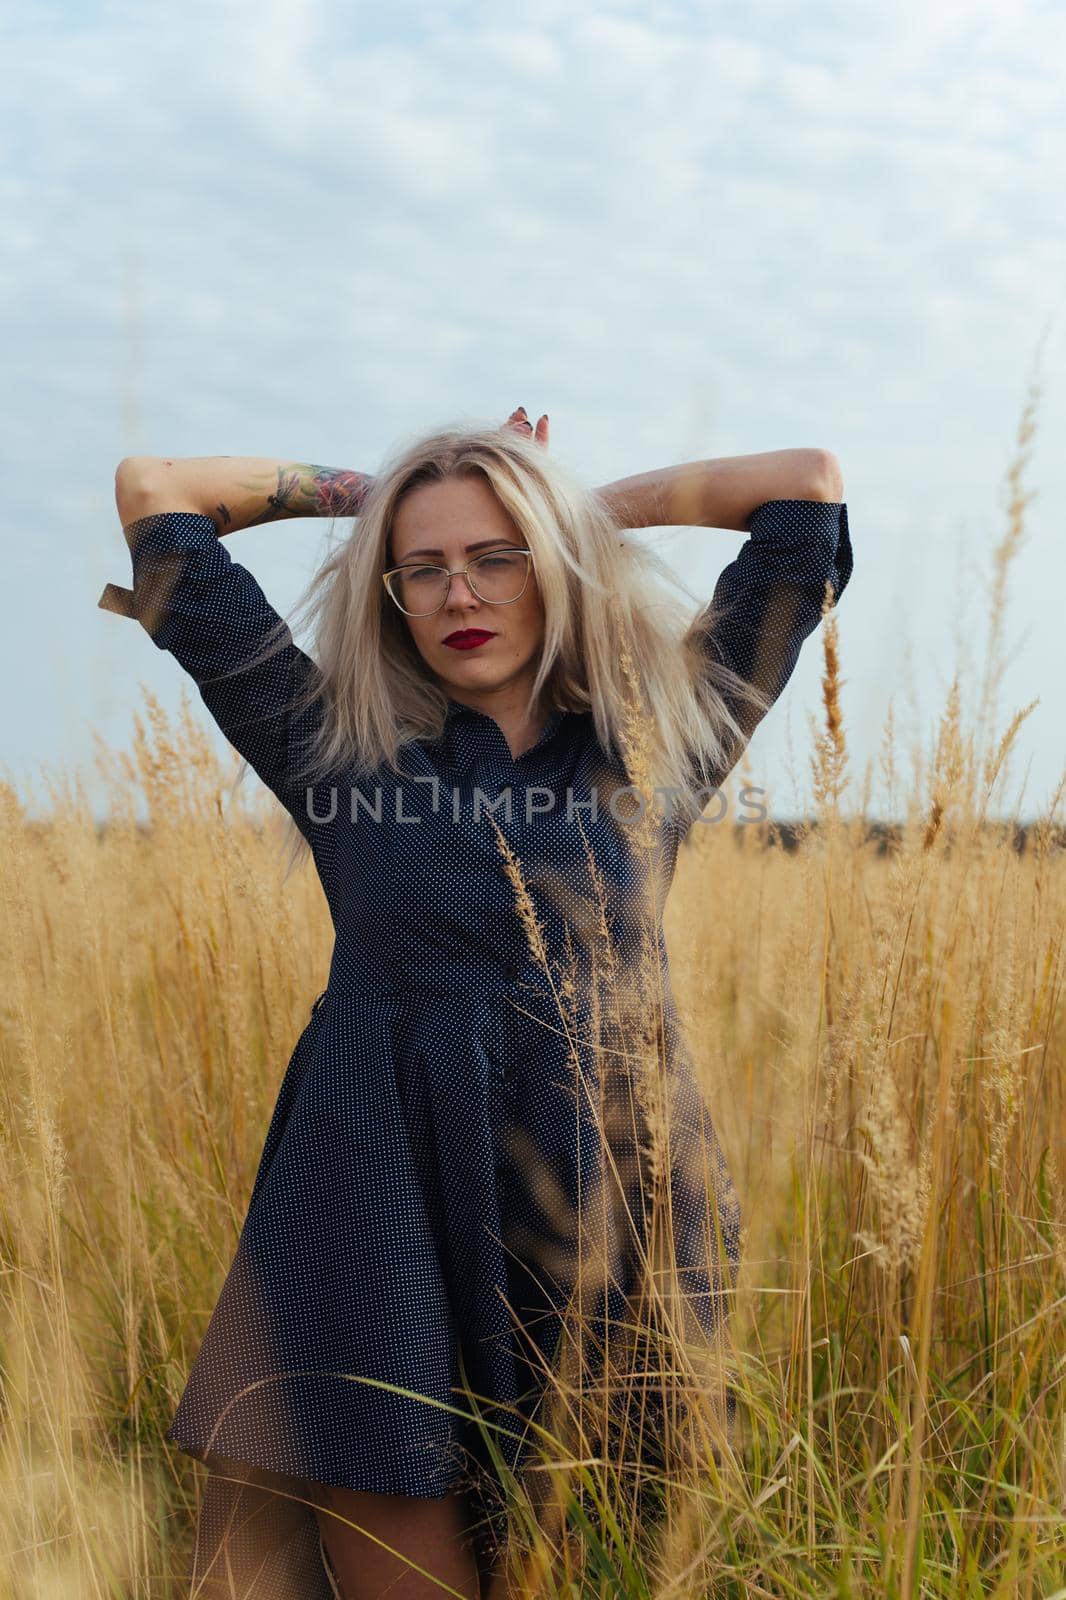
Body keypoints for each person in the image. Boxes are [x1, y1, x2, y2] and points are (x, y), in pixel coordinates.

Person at [98, 408, 851, 1598]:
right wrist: (382, 488)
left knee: (609, 1546)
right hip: (372, 1201)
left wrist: (562, 503)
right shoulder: (327, 743)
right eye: (427, 566)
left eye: (499, 555)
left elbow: (803, 493)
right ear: (391, 592)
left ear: (552, 566)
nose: (462, 591)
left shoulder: (659, 740)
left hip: (609, 1201)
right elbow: (159, 491)